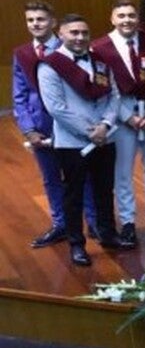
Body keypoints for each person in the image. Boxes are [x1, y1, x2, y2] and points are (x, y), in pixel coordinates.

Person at [37, 14, 126, 266]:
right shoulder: (50, 65)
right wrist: (90, 131)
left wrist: (106, 125)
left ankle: (108, 234)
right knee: (73, 194)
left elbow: (114, 96)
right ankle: (76, 243)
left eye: (84, 33)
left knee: (104, 189)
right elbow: (56, 107)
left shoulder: (100, 61)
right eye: (73, 32)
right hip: (72, 142)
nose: (79, 37)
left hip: (105, 138)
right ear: (61, 34)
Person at [14, 1, 96, 248]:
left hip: (72, 126)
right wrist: (29, 129)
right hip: (41, 128)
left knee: (84, 176)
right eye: (30, 20)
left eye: (40, 19)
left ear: (53, 23)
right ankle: (61, 224)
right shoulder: (22, 54)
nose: (35, 24)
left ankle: (93, 222)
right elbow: (19, 96)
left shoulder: (71, 47)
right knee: (51, 179)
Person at [90, 0, 145, 242]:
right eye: (121, 16)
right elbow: (104, 89)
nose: (127, 20)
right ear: (112, 19)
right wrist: (127, 116)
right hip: (122, 115)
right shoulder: (100, 48)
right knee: (123, 172)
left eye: (131, 15)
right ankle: (129, 221)